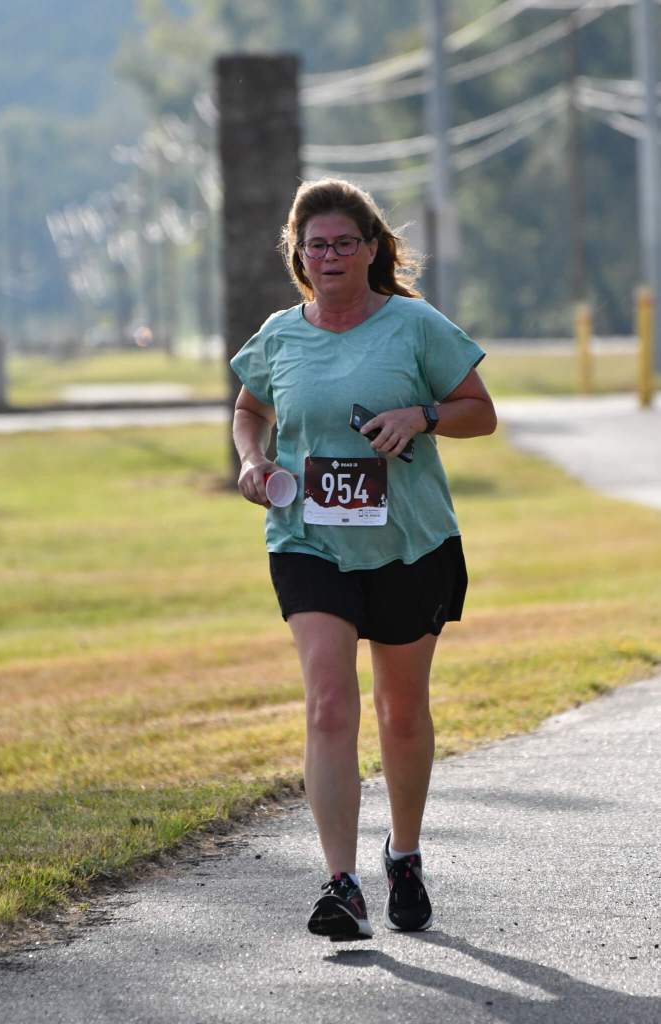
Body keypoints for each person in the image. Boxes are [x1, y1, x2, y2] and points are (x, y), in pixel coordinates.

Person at [230, 178, 496, 941]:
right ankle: (341, 884)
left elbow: (480, 413)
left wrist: (423, 414)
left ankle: (402, 856)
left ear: (371, 248)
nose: (330, 256)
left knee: (400, 713)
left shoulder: (414, 325)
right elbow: (249, 408)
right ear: (298, 255)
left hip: (408, 541)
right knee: (328, 703)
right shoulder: (280, 334)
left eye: (345, 242)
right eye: (315, 245)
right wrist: (252, 460)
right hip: (307, 539)